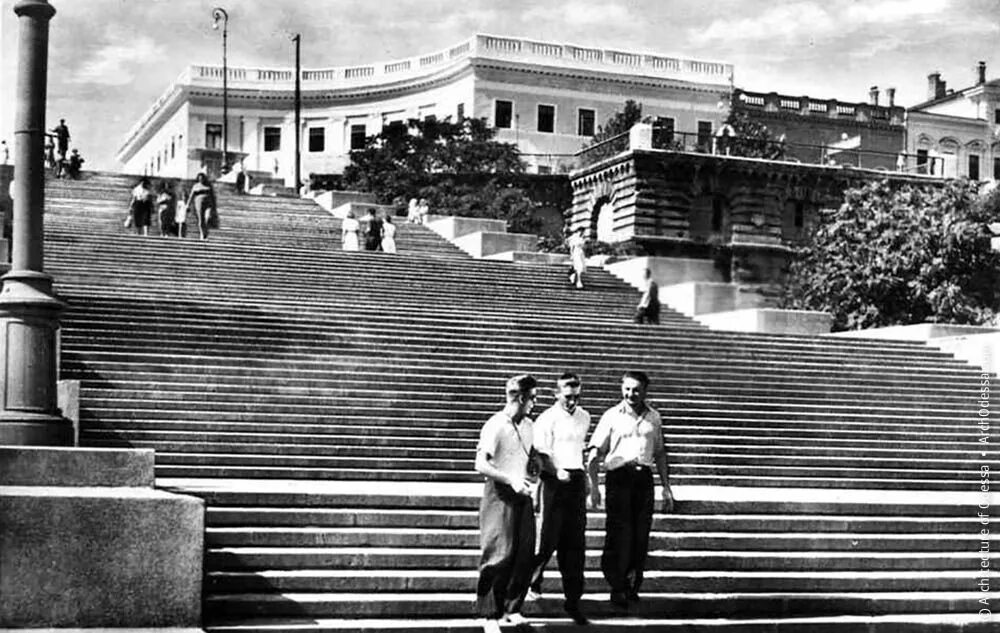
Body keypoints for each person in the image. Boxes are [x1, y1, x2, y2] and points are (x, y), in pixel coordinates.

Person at [587, 370, 673, 609]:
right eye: (626, 388)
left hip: (643, 479)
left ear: (645, 390)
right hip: (618, 478)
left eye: (636, 389)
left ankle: (632, 584)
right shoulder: (611, 415)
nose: (630, 394)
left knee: (640, 535)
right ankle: (617, 585)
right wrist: (594, 485)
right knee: (619, 534)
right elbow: (596, 450)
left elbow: (660, 453)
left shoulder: (654, 417)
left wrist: (666, 487)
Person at [475, 374, 539, 633]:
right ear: (521, 398)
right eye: (533, 398)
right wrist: (509, 479)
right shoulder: (495, 425)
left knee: (524, 552)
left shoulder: (529, 425)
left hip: (522, 491)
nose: (535, 403)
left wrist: (534, 470)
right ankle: (490, 614)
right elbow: (481, 464)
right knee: (498, 553)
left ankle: (512, 608)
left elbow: (531, 455)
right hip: (499, 492)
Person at [526, 373, 591, 626]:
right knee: (547, 539)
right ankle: (533, 581)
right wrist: (556, 471)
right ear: (556, 395)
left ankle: (573, 601)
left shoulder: (585, 417)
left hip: (574, 481)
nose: (572, 402)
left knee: (575, 544)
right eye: (567, 397)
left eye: (576, 396)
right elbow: (541, 455)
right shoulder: (547, 419)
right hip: (553, 481)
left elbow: (579, 449)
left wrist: (583, 477)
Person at [185, 172, 217, 241]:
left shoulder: (209, 185)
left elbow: (213, 196)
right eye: (199, 178)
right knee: (201, 220)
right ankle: (202, 234)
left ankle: (206, 233)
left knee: (207, 218)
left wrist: (214, 206)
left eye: (202, 178)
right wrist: (188, 205)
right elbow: (191, 196)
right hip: (199, 203)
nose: (201, 179)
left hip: (208, 204)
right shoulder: (196, 186)